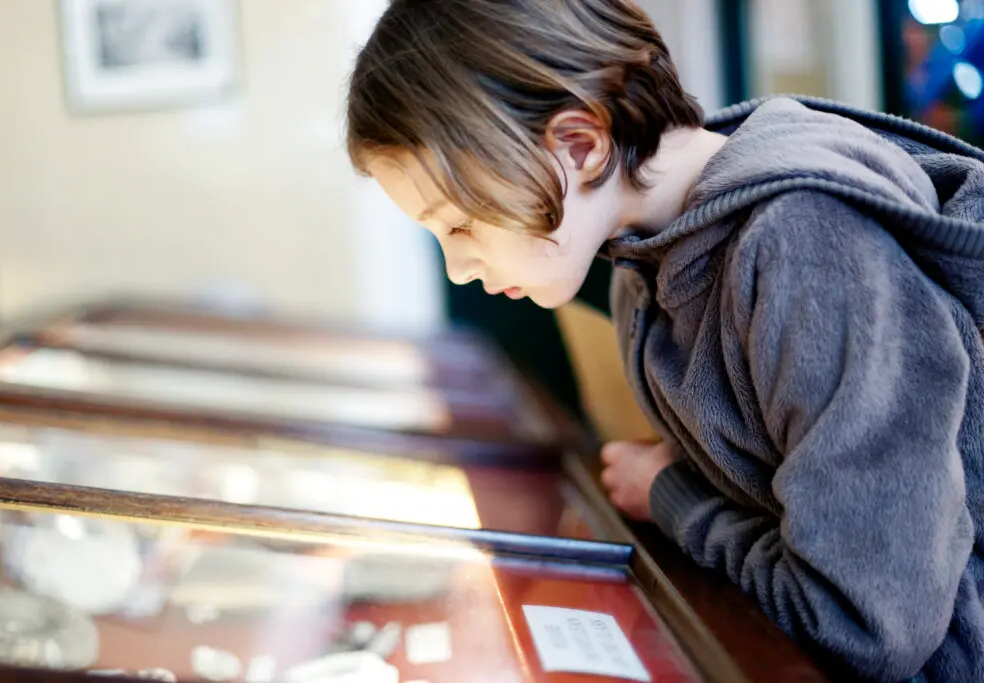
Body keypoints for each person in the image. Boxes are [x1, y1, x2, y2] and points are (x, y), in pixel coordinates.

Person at [344, 1, 984, 681]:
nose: (459, 268)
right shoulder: (639, 268)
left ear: (580, 145)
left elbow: (862, 625)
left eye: (462, 223)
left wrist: (674, 498)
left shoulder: (809, 247)